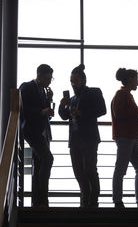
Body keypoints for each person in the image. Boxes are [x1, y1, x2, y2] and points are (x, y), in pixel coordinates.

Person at [58, 64, 106, 207]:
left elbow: (102, 110)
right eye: (71, 81)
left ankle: (93, 199)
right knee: (78, 171)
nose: (73, 84)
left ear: (83, 80)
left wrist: (81, 113)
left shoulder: (94, 92)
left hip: (89, 137)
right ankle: (86, 197)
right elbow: (63, 116)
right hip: (75, 139)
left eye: (75, 81)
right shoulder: (71, 99)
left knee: (90, 169)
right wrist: (62, 105)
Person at [111, 67, 138, 208]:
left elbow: (133, 113)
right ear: (130, 79)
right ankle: (120, 201)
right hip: (126, 136)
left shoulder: (124, 94)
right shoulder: (123, 94)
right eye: (136, 79)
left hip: (129, 137)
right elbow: (121, 113)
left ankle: (132, 201)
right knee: (124, 169)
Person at [20, 64, 54, 207]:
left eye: (51, 79)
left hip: (42, 131)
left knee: (40, 163)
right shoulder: (26, 87)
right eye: (47, 78)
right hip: (32, 130)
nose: (49, 81)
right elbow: (23, 109)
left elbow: (45, 112)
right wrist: (41, 112)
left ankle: (38, 200)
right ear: (39, 76)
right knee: (48, 158)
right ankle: (42, 198)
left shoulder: (43, 90)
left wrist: (49, 100)